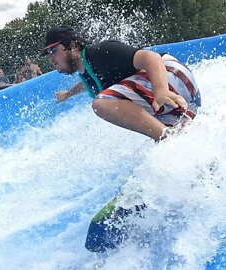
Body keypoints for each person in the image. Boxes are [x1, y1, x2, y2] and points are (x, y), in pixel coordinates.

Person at [39, 26, 202, 252]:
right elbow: (87, 83)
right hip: (178, 105)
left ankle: (167, 140)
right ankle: (188, 167)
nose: (51, 59)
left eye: (53, 51)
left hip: (170, 77)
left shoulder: (101, 51)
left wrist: (161, 89)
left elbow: (150, 57)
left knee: (102, 103)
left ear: (72, 45)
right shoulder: (87, 70)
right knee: (104, 99)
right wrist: (68, 94)